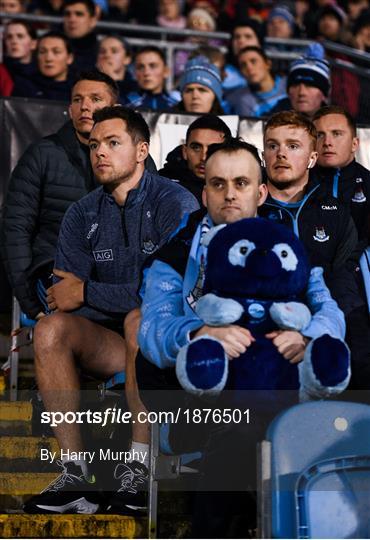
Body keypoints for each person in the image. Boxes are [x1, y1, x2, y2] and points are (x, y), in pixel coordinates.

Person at [138, 137, 346, 538]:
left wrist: (306, 338)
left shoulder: (287, 249)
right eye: (218, 184)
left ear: (261, 190)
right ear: (204, 191)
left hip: (282, 389)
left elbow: (329, 310)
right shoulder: (176, 254)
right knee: (243, 427)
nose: (229, 194)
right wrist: (201, 332)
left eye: (241, 183)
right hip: (197, 400)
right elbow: (153, 331)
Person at [22, 106, 199, 515]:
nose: (100, 152)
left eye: (113, 143)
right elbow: (65, 299)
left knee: (141, 318)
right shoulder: (81, 212)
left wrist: (89, 292)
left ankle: (136, 471)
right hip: (109, 343)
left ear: (141, 150)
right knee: (50, 328)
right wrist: (89, 295)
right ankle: (75, 475)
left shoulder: (176, 201)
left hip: (164, 342)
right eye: (95, 144)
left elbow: (164, 298)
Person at [259, 110, 370, 388]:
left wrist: (314, 333)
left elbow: (343, 285)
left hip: (327, 320)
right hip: (262, 325)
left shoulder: (336, 213)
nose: (281, 154)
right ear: (263, 155)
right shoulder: (247, 211)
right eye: (273, 146)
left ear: (312, 158)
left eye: (293, 146)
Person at [1, 70, 119, 320]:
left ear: (114, 108)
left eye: (95, 99)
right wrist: (29, 302)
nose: (85, 106)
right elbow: (15, 228)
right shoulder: (42, 154)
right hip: (53, 269)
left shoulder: (136, 161)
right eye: (77, 99)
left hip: (114, 275)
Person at [313, 105, 370, 241]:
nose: (327, 142)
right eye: (319, 135)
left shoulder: (368, 183)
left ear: (354, 144)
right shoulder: (298, 185)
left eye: (336, 134)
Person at [158, 114, 231, 203]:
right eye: (196, 148)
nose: (203, 157)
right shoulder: (159, 183)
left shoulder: (237, 190)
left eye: (213, 149)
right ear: (185, 152)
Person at [271, 43, 330, 118]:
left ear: (324, 95)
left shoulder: (337, 123)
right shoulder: (270, 120)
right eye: (295, 85)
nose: (302, 92)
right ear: (288, 92)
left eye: (310, 85)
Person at [12, 31, 74, 101]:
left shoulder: (77, 88)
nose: (48, 58)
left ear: (69, 58)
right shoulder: (24, 85)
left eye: (56, 52)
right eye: (42, 52)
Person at [226, 46, 287, 117]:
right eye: (243, 65)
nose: (249, 67)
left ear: (268, 64)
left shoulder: (288, 84)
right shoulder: (243, 101)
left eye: (253, 61)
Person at [124, 46, 179, 112]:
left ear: (166, 71)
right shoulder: (125, 104)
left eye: (153, 66)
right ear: (135, 73)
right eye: (140, 67)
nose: (146, 72)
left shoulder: (177, 105)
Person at [96, 35, 138, 101]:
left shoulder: (137, 87)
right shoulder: (84, 82)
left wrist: (113, 81)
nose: (107, 55)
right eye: (102, 51)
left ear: (127, 59)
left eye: (114, 51)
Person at [62, 0, 99, 72]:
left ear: (93, 21)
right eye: (67, 14)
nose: (72, 19)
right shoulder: (49, 47)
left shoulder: (102, 53)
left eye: (79, 14)